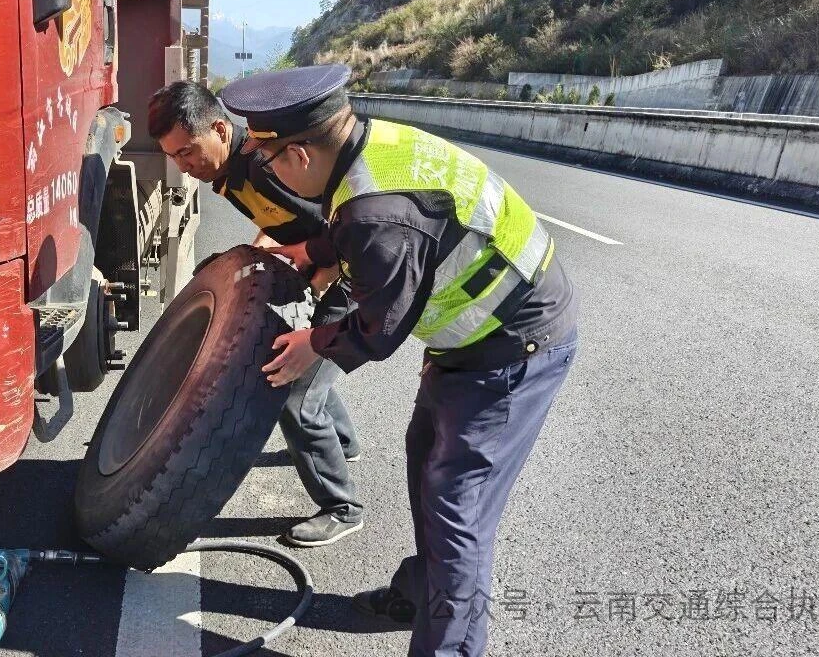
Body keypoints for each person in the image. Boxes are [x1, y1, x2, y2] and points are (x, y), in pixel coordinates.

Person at [219, 64, 579, 657]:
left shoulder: (376, 215)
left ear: (301, 155)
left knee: (457, 510)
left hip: (513, 348)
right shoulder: (367, 148)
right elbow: (353, 223)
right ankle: (420, 596)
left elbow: (379, 327)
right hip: (471, 345)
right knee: (425, 464)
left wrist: (313, 344)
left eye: (269, 159)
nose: (267, 171)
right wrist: (309, 250)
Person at [147, 80, 365, 547]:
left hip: (353, 272)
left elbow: (342, 228)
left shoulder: (265, 166)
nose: (182, 166)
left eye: (187, 152)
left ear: (220, 130)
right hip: (328, 262)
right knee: (311, 371)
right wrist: (259, 250)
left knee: (294, 387)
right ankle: (343, 444)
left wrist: (317, 287)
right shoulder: (230, 172)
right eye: (172, 156)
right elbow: (282, 222)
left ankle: (342, 508)